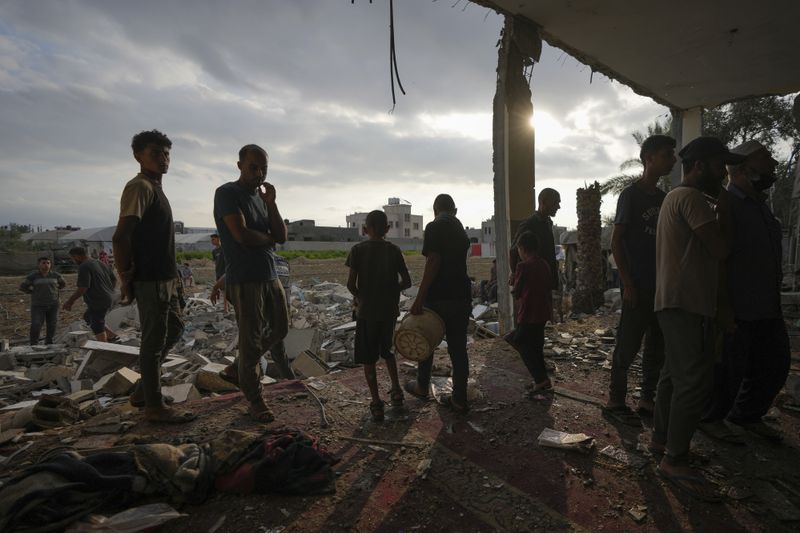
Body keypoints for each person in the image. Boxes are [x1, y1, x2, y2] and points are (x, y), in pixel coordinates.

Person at [651, 136, 744, 502]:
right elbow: (721, 248)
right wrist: (725, 211)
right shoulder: (690, 198)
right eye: (721, 165)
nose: (725, 173)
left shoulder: (677, 198)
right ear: (701, 165)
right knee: (693, 381)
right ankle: (675, 458)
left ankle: (662, 441)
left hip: (675, 303)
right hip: (686, 305)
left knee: (673, 377)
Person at [701, 140, 789, 443]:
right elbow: (718, 260)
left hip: (767, 305)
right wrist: (723, 307)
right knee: (728, 370)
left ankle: (746, 415)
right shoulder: (726, 205)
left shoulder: (760, 206)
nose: (773, 166)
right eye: (766, 159)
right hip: (739, 305)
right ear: (743, 168)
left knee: (774, 364)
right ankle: (711, 419)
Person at [112, 129, 194, 423]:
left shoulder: (156, 187)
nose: (163, 159)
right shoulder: (140, 187)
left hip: (167, 278)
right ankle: (154, 406)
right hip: (151, 279)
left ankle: (143, 391)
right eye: (156, 153)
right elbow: (121, 237)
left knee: (174, 329)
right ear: (138, 156)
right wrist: (126, 277)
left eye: (166, 153)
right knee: (153, 340)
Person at [213, 144, 288, 423]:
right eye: (253, 167)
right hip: (244, 278)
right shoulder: (227, 193)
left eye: (263, 168)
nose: (259, 173)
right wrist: (267, 239)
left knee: (281, 327)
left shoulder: (261, 198)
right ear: (240, 166)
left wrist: (271, 203)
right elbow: (241, 235)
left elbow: (280, 235)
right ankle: (255, 399)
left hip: (269, 274)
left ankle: (238, 367)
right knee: (251, 337)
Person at [604, 135, 676, 426]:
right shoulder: (630, 196)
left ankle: (647, 399)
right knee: (627, 345)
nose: (672, 160)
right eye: (666, 155)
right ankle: (615, 401)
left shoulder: (664, 199)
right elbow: (617, 241)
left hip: (661, 287)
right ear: (649, 159)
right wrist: (628, 283)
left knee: (656, 345)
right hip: (638, 286)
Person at [405, 194, 471, 413]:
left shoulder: (435, 227)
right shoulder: (461, 229)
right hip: (461, 296)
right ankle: (459, 398)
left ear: (435, 209)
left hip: (439, 297)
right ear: (455, 210)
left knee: (427, 341)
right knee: (458, 349)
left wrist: (420, 298)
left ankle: (422, 386)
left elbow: (433, 260)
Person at [345, 210, 412, 422]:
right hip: (388, 312)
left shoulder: (357, 250)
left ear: (366, 229)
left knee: (368, 359)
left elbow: (350, 284)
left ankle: (376, 403)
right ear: (387, 229)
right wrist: (391, 291)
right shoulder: (394, 250)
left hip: (367, 313)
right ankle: (397, 391)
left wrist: (361, 297)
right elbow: (407, 282)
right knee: (388, 352)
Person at [505, 231, 554, 393]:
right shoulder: (544, 264)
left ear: (523, 248)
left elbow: (517, 293)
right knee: (536, 346)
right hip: (542, 312)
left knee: (519, 341)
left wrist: (513, 282)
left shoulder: (523, 266)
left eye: (519, 248)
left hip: (528, 313)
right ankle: (541, 379)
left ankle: (540, 379)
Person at [62, 247, 118, 342]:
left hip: (99, 300)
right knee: (88, 317)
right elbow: (114, 279)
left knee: (96, 324)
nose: (73, 261)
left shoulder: (84, 266)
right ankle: (112, 336)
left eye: (72, 258)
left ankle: (104, 347)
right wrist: (108, 291)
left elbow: (83, 288)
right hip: (110, 297)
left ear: (76, 256)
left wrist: (69, 302)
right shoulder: (100, 262)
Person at [511, 188, 561, 289]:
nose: (558, 207)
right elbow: (513, 251)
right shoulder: (529, 224)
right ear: (544, 202)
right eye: (555, 203)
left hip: (546, 281)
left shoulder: (547, 223)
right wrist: (514, 275)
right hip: (533, 284)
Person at [20, 257, 66, 345]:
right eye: (43, 263)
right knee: (36, 324)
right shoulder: (32, 276)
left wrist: (55, 291)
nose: (46, 265)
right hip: (38, 305)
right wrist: (33, 292)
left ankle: (49, 343)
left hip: (53, 304)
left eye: (48, 263)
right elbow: (23, 287)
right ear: (39, 265)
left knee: (52, 324)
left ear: (50, 264)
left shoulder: (56, 275)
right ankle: (33, 344)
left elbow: (63, 284)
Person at [210, 233, 229, 312]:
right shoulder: (214, 251)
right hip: (218, 272)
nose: (212, 241)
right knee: (223, 290)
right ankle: (226, 307)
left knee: (226, 290)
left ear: (218, 239)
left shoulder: (224, 248)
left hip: (225, 272)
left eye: (213, 239)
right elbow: (215, 262)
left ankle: (226, 308)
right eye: (211, 240)